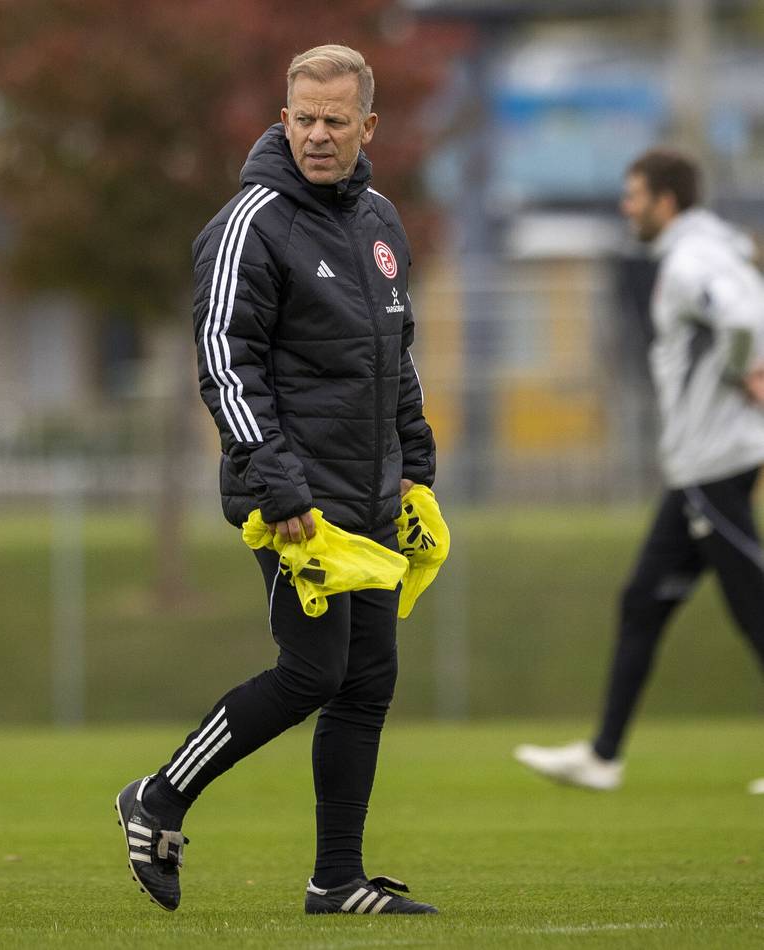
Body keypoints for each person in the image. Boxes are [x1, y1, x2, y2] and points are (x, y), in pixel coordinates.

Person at [115, 45, 439, 914]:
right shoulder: (250, 222)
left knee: (369, 681)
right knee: (312, 671)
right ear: (283, 115)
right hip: (296, 500)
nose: (319, 135)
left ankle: (337, 881)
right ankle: (157, 797)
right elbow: (226, 364)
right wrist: (277, 483)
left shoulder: (380, 220)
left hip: (371, 494)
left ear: (368, 125)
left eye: (338, 120)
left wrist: (416, 467)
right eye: (305, 118)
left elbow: (393, 355)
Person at [514, 148, 764, 793]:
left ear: (664, 200)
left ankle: (603, 753)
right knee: (641, 604)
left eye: (633, 195)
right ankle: (603, 755)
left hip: (712, 464)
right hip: (697, 467)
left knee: (754, 607)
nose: (626, 207)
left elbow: (741, 319)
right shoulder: (712, 246)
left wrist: (746, 370)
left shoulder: (688, 260)